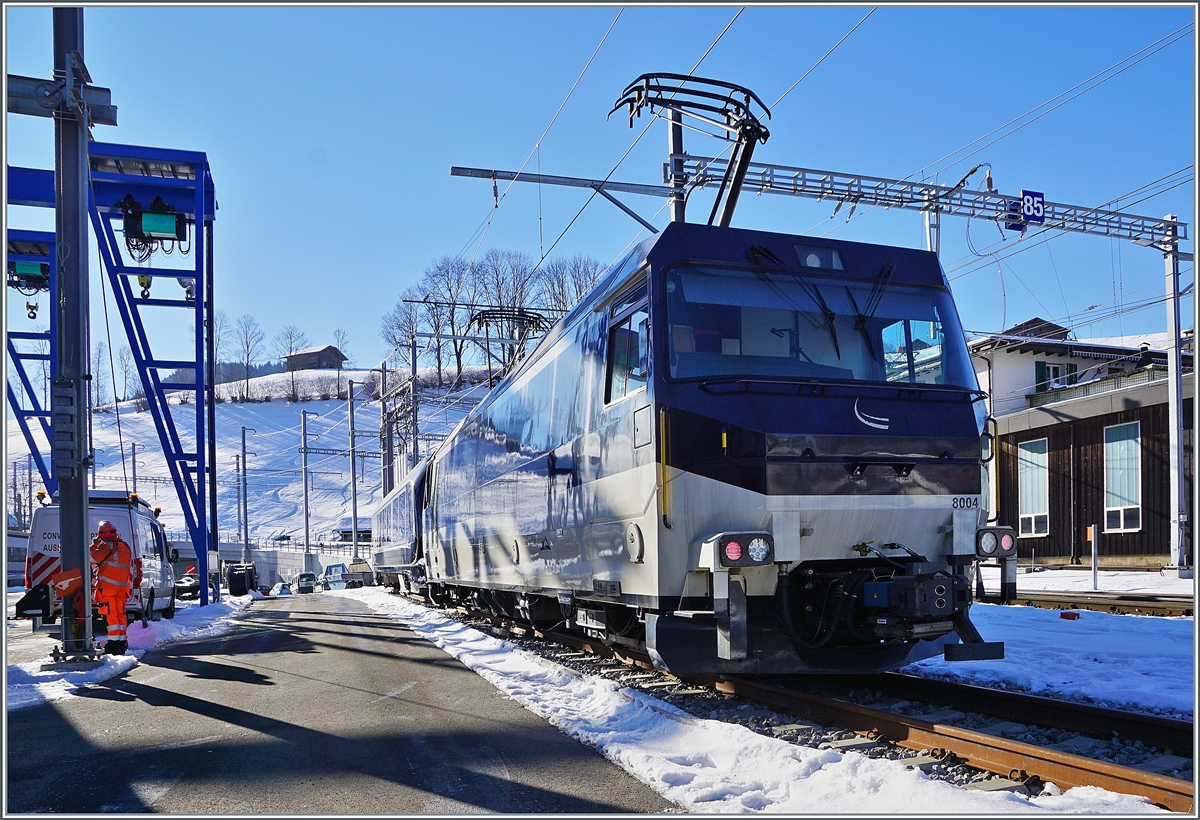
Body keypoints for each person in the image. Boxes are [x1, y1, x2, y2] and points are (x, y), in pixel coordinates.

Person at [90, 521, 134, 655]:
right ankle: (121, 642)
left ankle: (113, 644)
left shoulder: (105, 547)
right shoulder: (125, 546)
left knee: (111, 616)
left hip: (108, 588)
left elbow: (91, 558)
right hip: (122, 588)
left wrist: (94, 545)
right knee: (120, 615)